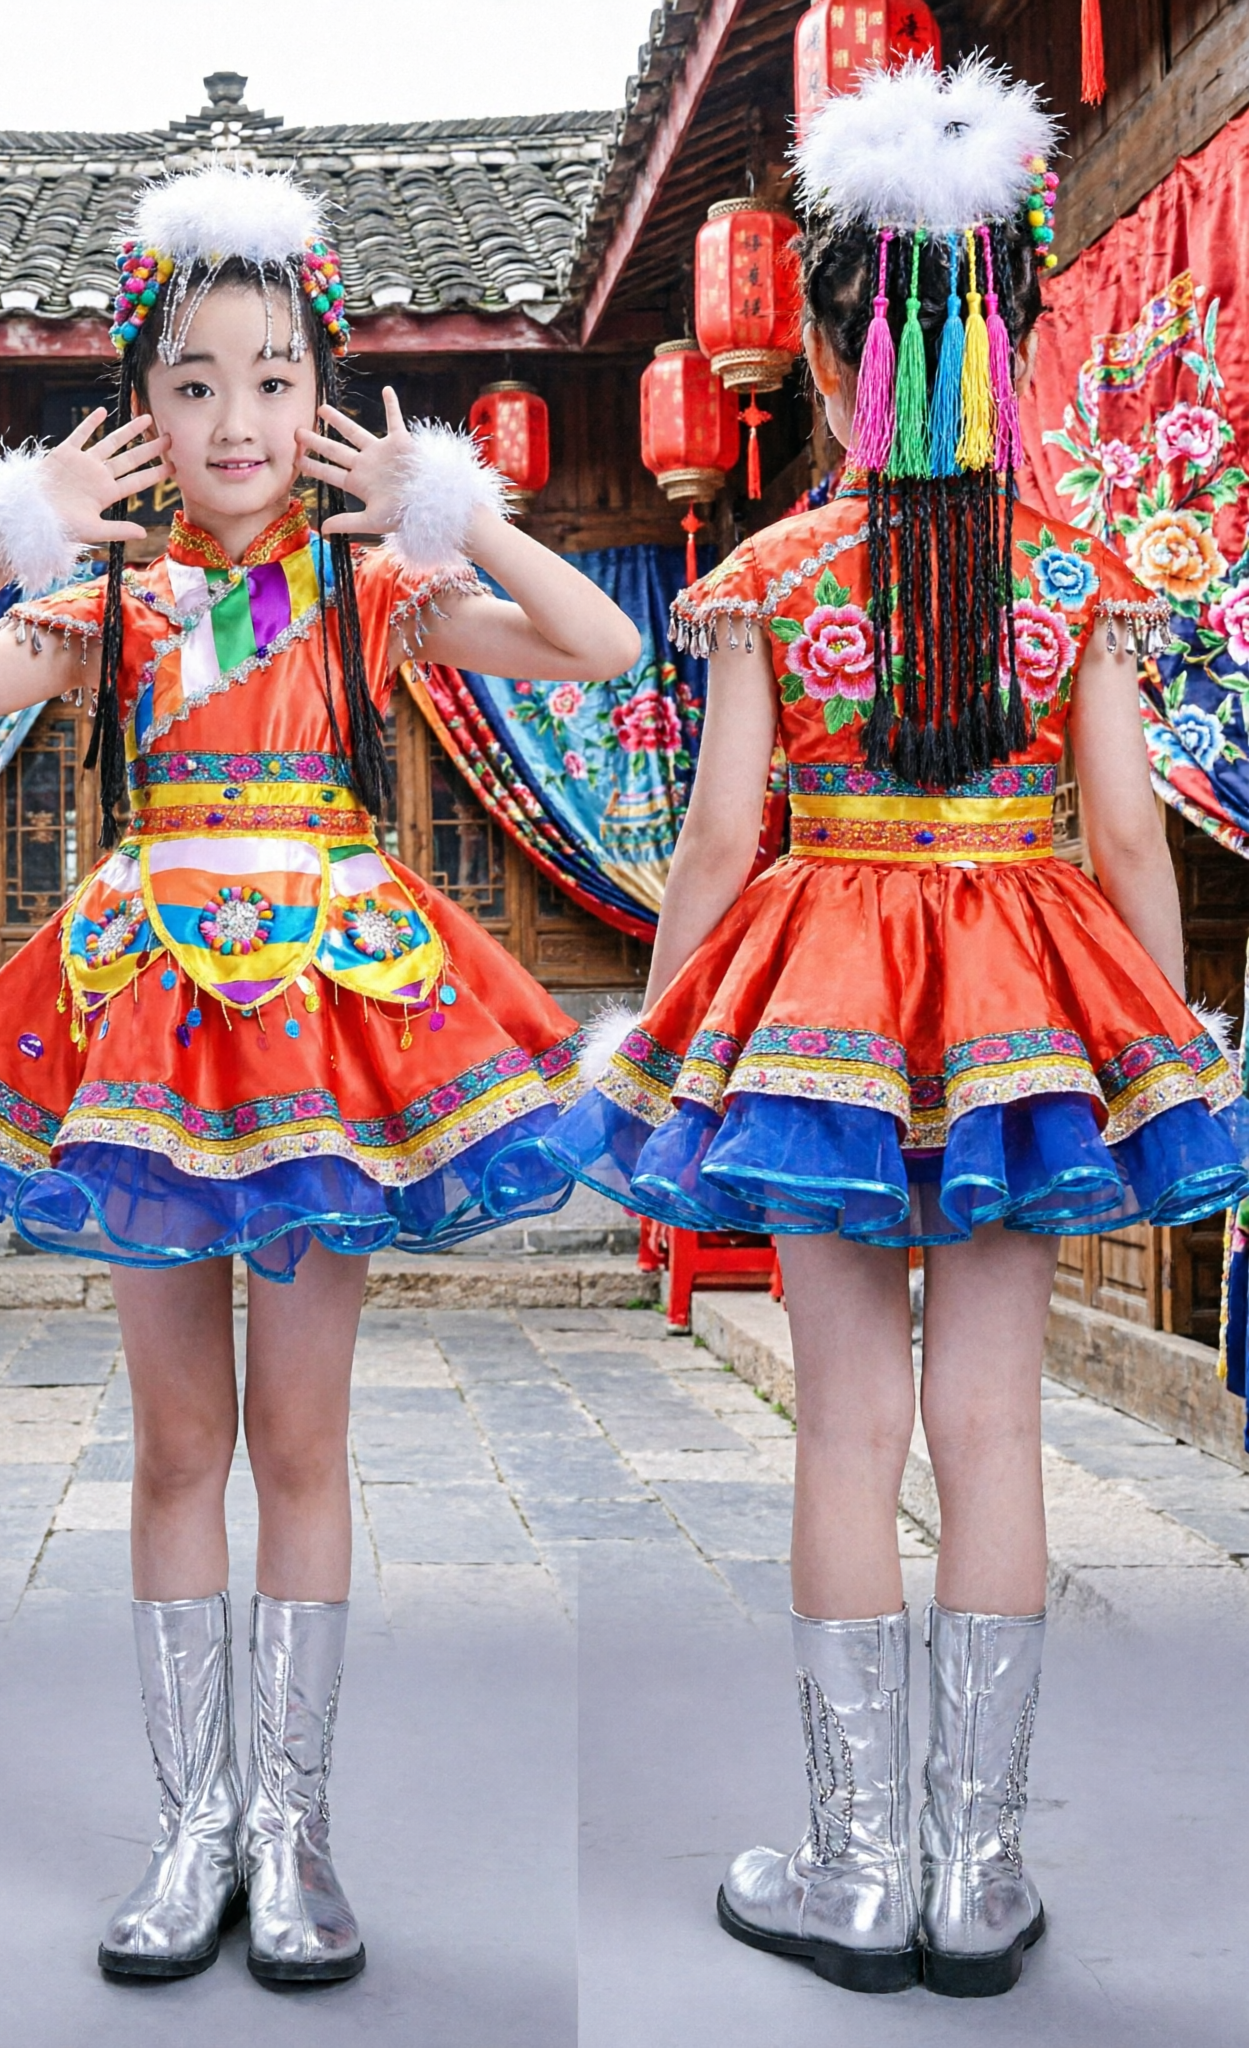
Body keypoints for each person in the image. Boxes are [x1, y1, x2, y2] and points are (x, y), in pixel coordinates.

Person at [0, 164, 639, 1985]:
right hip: (146, 1023)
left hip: (325, 1021)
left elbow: (596, 648)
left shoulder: (376, 594)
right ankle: (187, 1829)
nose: (232, 421)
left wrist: (451, 510)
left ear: (324, 398)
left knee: (298, 1435)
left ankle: (292, 1833)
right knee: (175, 1442)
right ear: (141, 405)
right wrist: (5, 533)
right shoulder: (109, 607)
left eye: (272, 380)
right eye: (191, 383)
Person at [559, 58, 1249, 1999]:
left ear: (833, 336)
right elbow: (1124, 831)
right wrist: (1158, 1043)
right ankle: (979, 1876)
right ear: (1012, 322)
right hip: (1033, 1005)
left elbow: (717, 843)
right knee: (995, 1425)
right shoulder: (1072, 578)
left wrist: (666, 1041)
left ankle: (855, 1875)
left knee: (846, 1435)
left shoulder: (772, 580)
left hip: (821, 1022)